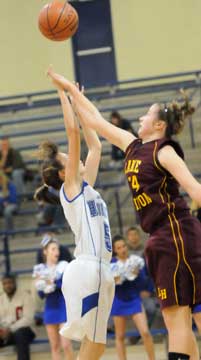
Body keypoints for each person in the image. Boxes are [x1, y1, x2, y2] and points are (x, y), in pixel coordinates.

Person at [53, 74, 201, 360]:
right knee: (184, 316)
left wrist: (70, 92)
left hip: (176, 233)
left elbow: (194, 188)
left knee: (178, 317)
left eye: (147, 114)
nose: (140, 117)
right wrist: (72, 93)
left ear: (159, 125)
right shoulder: (133, 145)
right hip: (161, 237)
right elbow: (95, 121)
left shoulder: (165, 150)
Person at [34, 70, 115, 360]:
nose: (75, 156)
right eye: (68, 158)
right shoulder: (71, 187)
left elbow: (96, 145)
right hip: (87, 269)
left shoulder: (86, 188)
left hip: (101, 269)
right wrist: (63, 92)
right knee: (91, 345)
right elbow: (73, 134)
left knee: (97, 345)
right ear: (61, 172)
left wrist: (78, 100)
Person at [111, 235, 155, 360]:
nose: (123, 249)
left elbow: (143, 282)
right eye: (119, 248)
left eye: (124, 246)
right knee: (119, 336)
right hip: (119, 300)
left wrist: (138, 274)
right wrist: (115, 280)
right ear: (115, 250)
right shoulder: (111, 264)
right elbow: (110, 284)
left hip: (134, 299)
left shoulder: (135, 260)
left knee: (145, 332)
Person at [33, 236, 74, 360]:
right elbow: (41, 295)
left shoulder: (63, 266)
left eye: (57, 249)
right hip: (50, 309)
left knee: (66, 345)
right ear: (45, 252)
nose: (57, 252)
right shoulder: (40, 269)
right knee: (55, 346)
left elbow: (65, 286)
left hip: (63, 307)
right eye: (53, 249)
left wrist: (53, 283)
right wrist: (43, 286)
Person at [0, 273, 35, 360]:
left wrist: (10, 329)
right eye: (5, 283)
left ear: (15, 283)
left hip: (25, 331)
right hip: (5, 332)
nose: (8, 286)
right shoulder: (1, 299)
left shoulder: (26, 296)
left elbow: (28, 319)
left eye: (10, 283)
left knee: (21, 334)